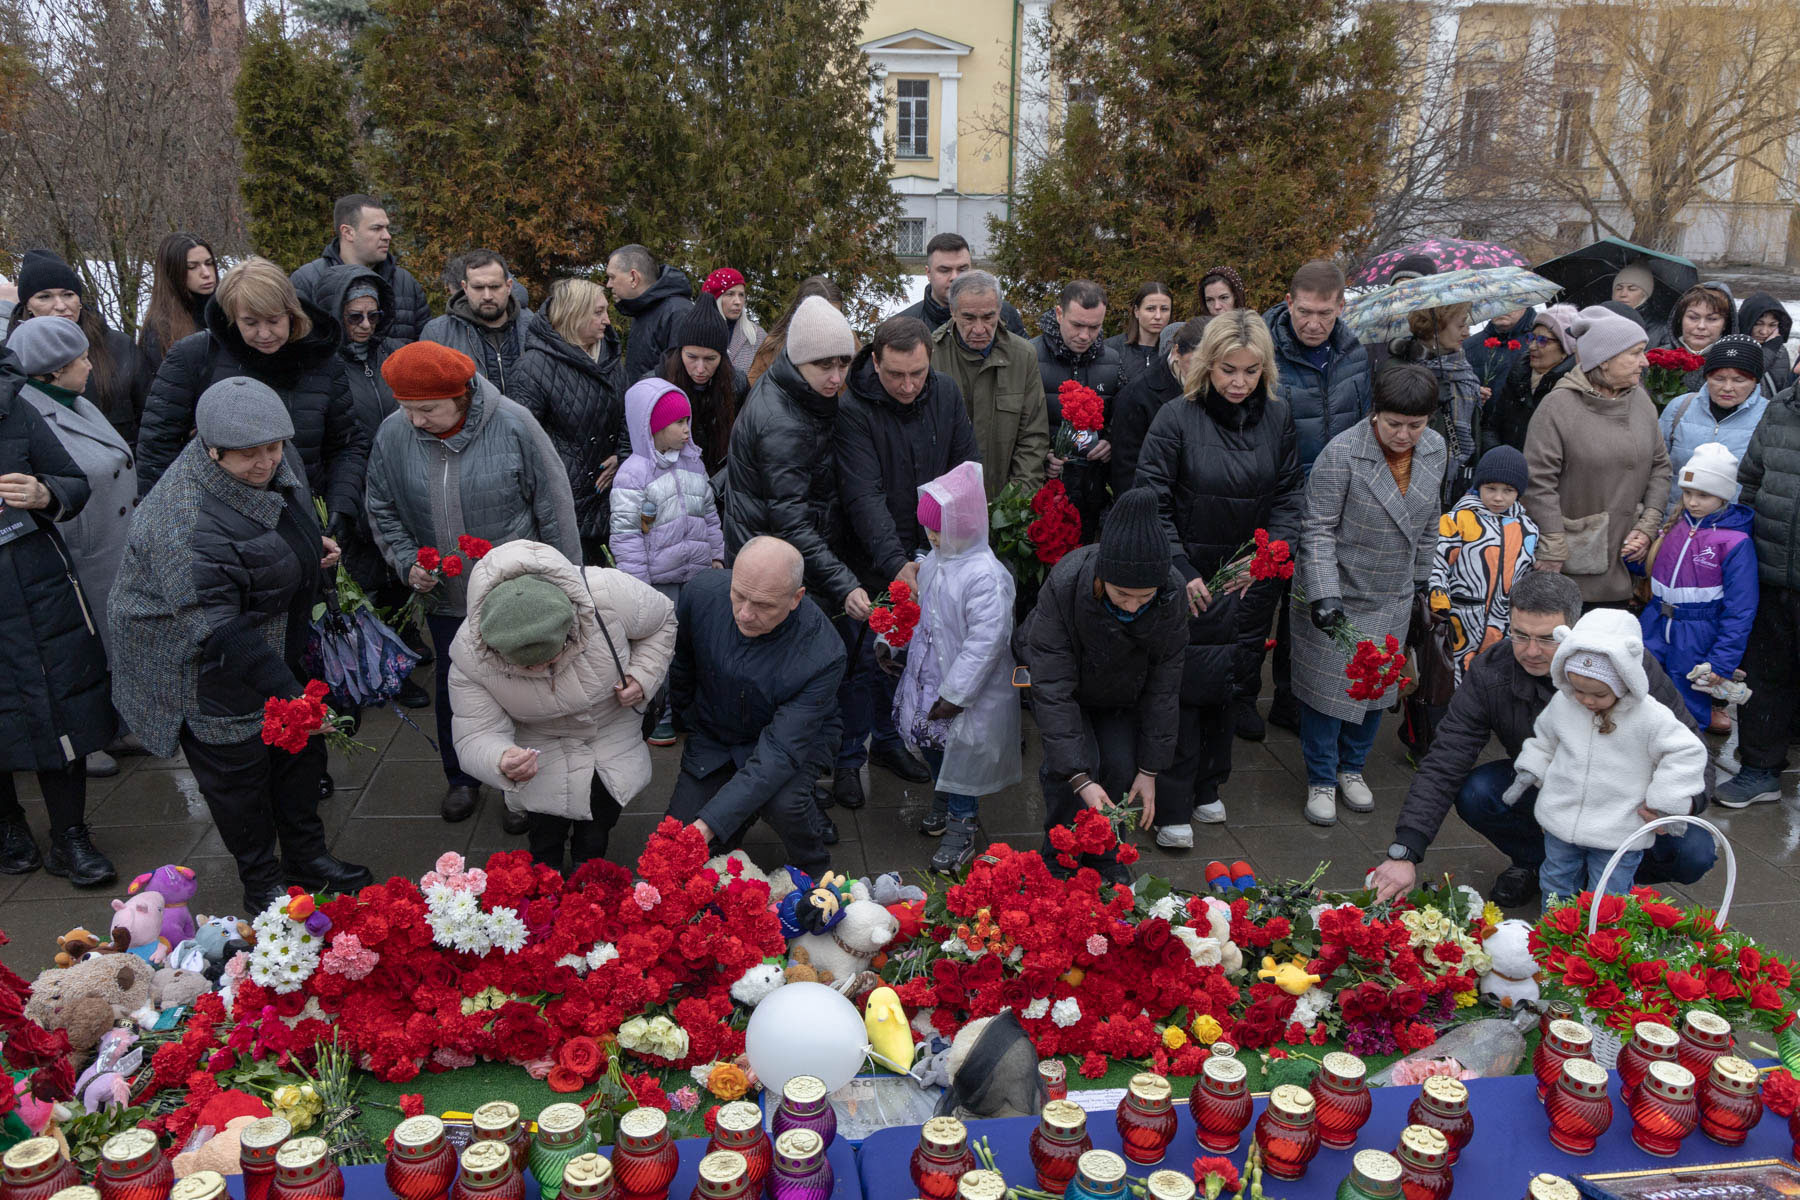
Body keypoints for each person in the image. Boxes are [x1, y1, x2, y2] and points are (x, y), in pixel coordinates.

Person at [110, 377, 371, 910]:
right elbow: (218, 627)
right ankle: (262, 882)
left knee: (299, 757)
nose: (267, 463)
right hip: (198, 662)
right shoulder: (179, 519)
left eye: (275, 448)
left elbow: (289, 506)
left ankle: (307, 857)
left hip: (270, 631)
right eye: (248, 456)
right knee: (239, 777)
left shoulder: (274, 451)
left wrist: (306, 547)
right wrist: (295, 698)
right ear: (210, 449)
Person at [1371, 570, 1716, 906]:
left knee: (1694, 851)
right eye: (1520, 635)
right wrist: (1405, 850)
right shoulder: (1492, 671)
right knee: (1479, 792)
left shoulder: (1626, 667)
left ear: (1573, 629)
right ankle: (1539, 864)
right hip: (1554, 788)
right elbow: (1447, 756)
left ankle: (1608, 879)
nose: (1530, 651)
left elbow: (1692, 750)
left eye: (1547, 638)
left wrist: (1680, 805)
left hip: (1626, 802)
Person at [365, 341, 580, 826]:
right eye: (406, 409)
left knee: (524, 693)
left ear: (460, 396)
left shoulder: (513, 423)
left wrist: (568, 586)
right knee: (455, 690)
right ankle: (463, 777)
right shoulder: (393, 434)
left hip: (517, 595)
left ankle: (521, 788)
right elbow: (380, 505)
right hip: (446, 599)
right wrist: (405, 563)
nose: (415, 421)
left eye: (428, 409)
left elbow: (554, 507)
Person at [1135, 310, 1303, 842]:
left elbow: (1289, 495)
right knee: (1182, 689)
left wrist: (1267, 560)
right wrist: (1179, 569)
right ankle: (1174, 802)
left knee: (1233, 683)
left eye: (1251, 372)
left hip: (1248, 579)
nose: (1238, 382)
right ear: (1207, 365)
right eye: (1229, 369)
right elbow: (1151, 501)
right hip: (1188, 577)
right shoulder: (1175, 418)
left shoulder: (1278, 417)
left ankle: (1211, 785)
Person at [449, 540, 676, 872]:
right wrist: (500, 758)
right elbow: (475, 733)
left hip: (611, 735)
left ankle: (590, 867)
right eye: (526, 668)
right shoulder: (469, 653)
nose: (540, 670)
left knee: (598, 828)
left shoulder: (606, 593)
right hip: (541, 749)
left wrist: (642, 676)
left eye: (549, 657)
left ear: (571, 624)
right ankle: (547, 877)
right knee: (544, 835)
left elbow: (662, 621)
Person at [1290, 362, 1446, 827]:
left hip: (1392, 591)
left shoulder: (1434, 450)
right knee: (1326, 693)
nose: (1404, 434)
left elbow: (1430, 519)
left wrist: (1422, 578)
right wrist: (1323, 595)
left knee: (1377, 687)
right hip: (1338, 590)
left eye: (1415, 425)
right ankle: (1320, 777)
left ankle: (1351, 768)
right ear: (1374, 412)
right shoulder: (1342, 453)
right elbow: (1315, 528)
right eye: (1394, 423)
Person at [835, 315, 980, 809]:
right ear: (875, 362)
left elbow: (964, 471)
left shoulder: (944, 393)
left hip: (934, 548)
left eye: (916, 373)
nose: (907, 385)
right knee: (862, 660)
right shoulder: (854, 405)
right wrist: (896, 562)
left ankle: (891, 741)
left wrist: (954, 547)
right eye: (895, 374)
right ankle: (849, 758)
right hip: (874, 551)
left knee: (910, 660)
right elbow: (862, 493)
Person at [136, 257, 368, 550]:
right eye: (250, 322)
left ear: (291, 313)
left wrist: (341, 504)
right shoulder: (195, 356)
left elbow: (346, 443)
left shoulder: (322, 362)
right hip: (218, 531)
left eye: (274, 320)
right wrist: (168, 525)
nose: (264, 334)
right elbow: (157, 447)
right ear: (233, 316)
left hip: (305, 521)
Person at [1019, 487, 1185, 882]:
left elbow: (1165, 684)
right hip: (1067, 686)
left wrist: (1150, 769)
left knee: (1120, 766)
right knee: (1072, 773)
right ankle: (1059, 859)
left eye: (1144, 597)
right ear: (1102, 577)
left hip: (1119, 693)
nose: (1132, 605)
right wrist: (1080, 779)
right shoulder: (1066, 583)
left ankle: (1107, 858)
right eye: (1122, 594)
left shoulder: (1172, 594)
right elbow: (1053, 687)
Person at [0, 347, 116, 884]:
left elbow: (72, 481)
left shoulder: (11, 402)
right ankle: (8, 826)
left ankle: (70, 835)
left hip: (35, 584)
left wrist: (44, 492)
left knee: (58, 702)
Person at [666, 536, 843, 876]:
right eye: (739, 595)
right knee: (675, 850)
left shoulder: (824, 652)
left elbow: (779, 752)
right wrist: (694, 720)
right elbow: (682, 668)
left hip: (793, 739)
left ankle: (814, 864)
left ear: (796, 599)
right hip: (717, 732)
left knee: (783, 802)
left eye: (763, 605)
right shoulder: (701, 593)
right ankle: (737, 819)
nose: (745, 614)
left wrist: (709, 824)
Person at [6, 315, 138, 777]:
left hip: (111, 547)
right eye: (81, 358)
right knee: (83, 652)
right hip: (78, 555)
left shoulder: (77, 401)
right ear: (52, 371)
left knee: (117, 642)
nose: (89, 364)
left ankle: (120, 724)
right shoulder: (29, 414)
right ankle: (88, 740)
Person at [1507, 609, 1708, 899]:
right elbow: (1546, 738)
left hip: (1619, 826)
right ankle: (1555, 936)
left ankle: (1601, 939)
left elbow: (1686, 751)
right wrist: (1531, 768)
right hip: (1560, 819)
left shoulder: (1650, 717)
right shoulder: (1564, 704)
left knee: (1608, 892)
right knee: (1555, 879)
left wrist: (1667, 800)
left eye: (1599, 694)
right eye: (1578, 690)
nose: (1586, 700)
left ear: (1624, 681)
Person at [1254, 260, 1373, 736]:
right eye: (1305, 311)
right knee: (1261, 601)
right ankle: (1242, 697)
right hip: (1277, 495)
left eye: (1325, 313)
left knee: (1308, 605)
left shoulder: (1355, 354)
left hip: (1335, 502)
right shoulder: (1265, 350)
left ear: (1341, 307)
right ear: (1289, 303)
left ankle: (1290, 698)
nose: (1314, 323)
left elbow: (1364, 425)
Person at [895, 461, 1020, 872]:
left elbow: (985, 643)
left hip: (965, 691)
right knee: (933, 744)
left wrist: (956, 694)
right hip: (930, 677)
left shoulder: (986, 577)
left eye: (939, 528)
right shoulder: (936, 560)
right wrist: (890, 641)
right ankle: (943, 795)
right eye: (928, 529)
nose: (932, 536)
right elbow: (918, 613)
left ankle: (961, 824)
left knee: (962, 754)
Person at [1523, 306, 1669, 605]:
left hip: (1629, 562)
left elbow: (1660, 466)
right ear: (1604, 361)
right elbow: (1538, 484)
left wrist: (1647, 525)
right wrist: (1553, 543)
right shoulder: (1558, 407)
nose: (1644, 362)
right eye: (1636, 353)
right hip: (1574, 564)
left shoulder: (1641, 401)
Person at [609, 379, 724, 742]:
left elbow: (710, 514)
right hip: (658, 580)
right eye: (678, 423)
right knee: (661, 650)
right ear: (651, 427)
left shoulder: (694, 464)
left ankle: (689, 710)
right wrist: (636, 585)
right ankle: (659, 713)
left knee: (695, 645)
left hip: (697, 574)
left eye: (688, 421)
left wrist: (717, 555)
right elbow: (626, 534)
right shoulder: (633, 473)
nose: (686, 429)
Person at [1635, 442, 1757, 731]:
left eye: (1704, 495)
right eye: (1688, 493)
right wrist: (1634, 559)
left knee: (1686, 706)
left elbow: (1741, 609)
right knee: (1643, 692)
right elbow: (1658, 570)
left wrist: (1721, 662)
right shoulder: (1675, 526)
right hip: (1654, 622)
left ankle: (1690, 763)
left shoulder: (1735, 542)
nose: (1692, 502)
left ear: (1723, 494)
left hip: (1697, 634)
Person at [1724, 367, 1800, 807]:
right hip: (1770, 570)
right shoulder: (1780, 408)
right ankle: (1759, 769)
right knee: (1766, 676)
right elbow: (1751, 480)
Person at [510, 278, 627, 564]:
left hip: (612, 499)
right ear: (574, 314)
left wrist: (622, 455)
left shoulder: (610, 358)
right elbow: (519, 441)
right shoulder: (533, 368)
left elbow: (629, 415)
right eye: (598, 312)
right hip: (565, 506)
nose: (607, 321)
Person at [4, 250, 146, 448]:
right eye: (45, 297)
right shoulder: (8, 358)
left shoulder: (118, 345)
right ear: (28, 306)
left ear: (80, 300)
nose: (61, 306)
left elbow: (149, 417)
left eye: (68, 294)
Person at [929, 270, 1047, 502]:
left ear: (999, 311)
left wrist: (1013, 505)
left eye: (988, 317)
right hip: (943, 505)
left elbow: (1033, 438)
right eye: (969, 318)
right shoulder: (930, 355)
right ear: (952, 311)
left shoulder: (1022, 356)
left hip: (1006, 504)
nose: (980, 329)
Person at [1428, 445, 1538, 683]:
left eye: (1508, 490)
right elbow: (1438, 562)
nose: (1498, 497)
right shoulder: (1457, 520)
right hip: (1460, 617)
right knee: (1455, 677)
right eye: (1491, 488)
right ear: (1478, 486)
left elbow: (1527, 575)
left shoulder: (1528, 528)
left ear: (1519, 492)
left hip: (1505, 622)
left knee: (1496, 678)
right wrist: (1438, 596)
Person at [1035, 280, 1120, 534]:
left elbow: (1123, 416)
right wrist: (1043, 456)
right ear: (1059, 314)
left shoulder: (1114, 361)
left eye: (1094, 327)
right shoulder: (1030, 357)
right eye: (1077, 325)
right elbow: (1019, 425)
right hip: (1044, 492)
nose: (1085, 336)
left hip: (1093, 491)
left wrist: (1110, 441)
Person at [290, 194, 432, 342]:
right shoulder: (308, 280)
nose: (387, 236)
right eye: (376, 228)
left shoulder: (405, 282)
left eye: (387, 228)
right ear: (348, 232)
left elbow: (424, 346)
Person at [1659, 334, 1769, 514]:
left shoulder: (1769, 417)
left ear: (1755, 381)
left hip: (1732, 528)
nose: (1727, 387)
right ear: (1707, 376)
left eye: (1739, 380)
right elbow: (1658, 468)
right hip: (1674, 522)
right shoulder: (1680, 407)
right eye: (1718, 378)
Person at [1386, 303, 1480, 505]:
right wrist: (1429, 400)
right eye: (1460, 325)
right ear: (1436, 327)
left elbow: (1473, 428)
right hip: (1413, 481)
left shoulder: (1460, 366)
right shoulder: (1399, 368)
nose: (1467, 332)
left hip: (1457, 480)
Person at [420, 250, 528, 394]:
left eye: (495, 287)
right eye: (478, 288)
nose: (487, 296)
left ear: (508, 287)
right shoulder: (438, 334)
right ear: (465, 288)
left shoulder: (534, 327)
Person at [1110, 320, 1195, 496]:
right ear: (1177, 351)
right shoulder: (1137, 394)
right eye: (1197, 363)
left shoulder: (1214, 385)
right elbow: (1126, 470)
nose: (1203, 371)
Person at [655, 300, 738, 475]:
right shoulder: (656, 384)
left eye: (710, 359)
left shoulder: (737, 385)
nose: (700, 369)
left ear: (722, 357)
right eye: (692, 357)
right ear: (680, 351)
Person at [1483, 305, 1577, 453]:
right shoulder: (1518, 374)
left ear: (1565, 349)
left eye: (1542, 340)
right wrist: (1499, 456)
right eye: (1531, 338)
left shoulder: (1572, 389)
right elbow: (1492, 427)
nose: (1532, 346)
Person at [899, 232, 1027, 337]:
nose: (955, 277)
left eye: (962, 269)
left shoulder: (1004, 313)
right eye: (945, 270)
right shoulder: (904, 327)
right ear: (928, 273)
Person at [607, 244, 695, 385]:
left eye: (612, 277)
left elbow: (682, 377)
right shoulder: (643, 309)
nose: (609, 284)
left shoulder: (678, 313)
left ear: (634, 278)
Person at [139, 233, 218, 386]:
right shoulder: (160, 331)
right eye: (192, 267)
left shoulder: (229, 312)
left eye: (209, 263)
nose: (206, 273)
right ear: (173, 272)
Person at [749, 276, 847, 386]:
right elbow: (754, 394)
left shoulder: (849, 346)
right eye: (822, 316)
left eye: (835, 315)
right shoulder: (772, 347)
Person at [1104, 281, 1174, 391]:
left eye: (1164, 309)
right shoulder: (1112, 349)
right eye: (1150, 309)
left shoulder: (1174, 353)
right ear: (1137, 311)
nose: (1158, 316)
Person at [1668, 282, 1736, 392]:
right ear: (1680, 319)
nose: (1701, 326)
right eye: (1693, 317)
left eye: (1712, 319)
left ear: (1725, 324)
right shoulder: (1655, 358)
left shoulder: (1739, 363)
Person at [701, 268, 766, 380]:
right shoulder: (697, 333)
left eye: (741, 295)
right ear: (716, 299)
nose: (738, 302)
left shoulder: (758, 336)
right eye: (730, 294)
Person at [1462, 306, 1537, 390]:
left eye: (1510, 299)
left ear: (1526, 304)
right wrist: (1472, 394)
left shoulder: (1540, 342)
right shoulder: (1468, 346)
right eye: (1495, 300)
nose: (1502, 308)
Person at [1738, 291, 1794, 395]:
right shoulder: (1732, 347)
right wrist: (1770, 349)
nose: (1764, 331)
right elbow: (1747, 375)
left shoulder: (1780, 350)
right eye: (1758, 324)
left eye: (1772, 325)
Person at [1609, 262, 1671, 349]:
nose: (1623, 294)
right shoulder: (1598, 321)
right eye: (1618, 288)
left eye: (1632, 289)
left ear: (1645, 295)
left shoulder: (1663, 330)